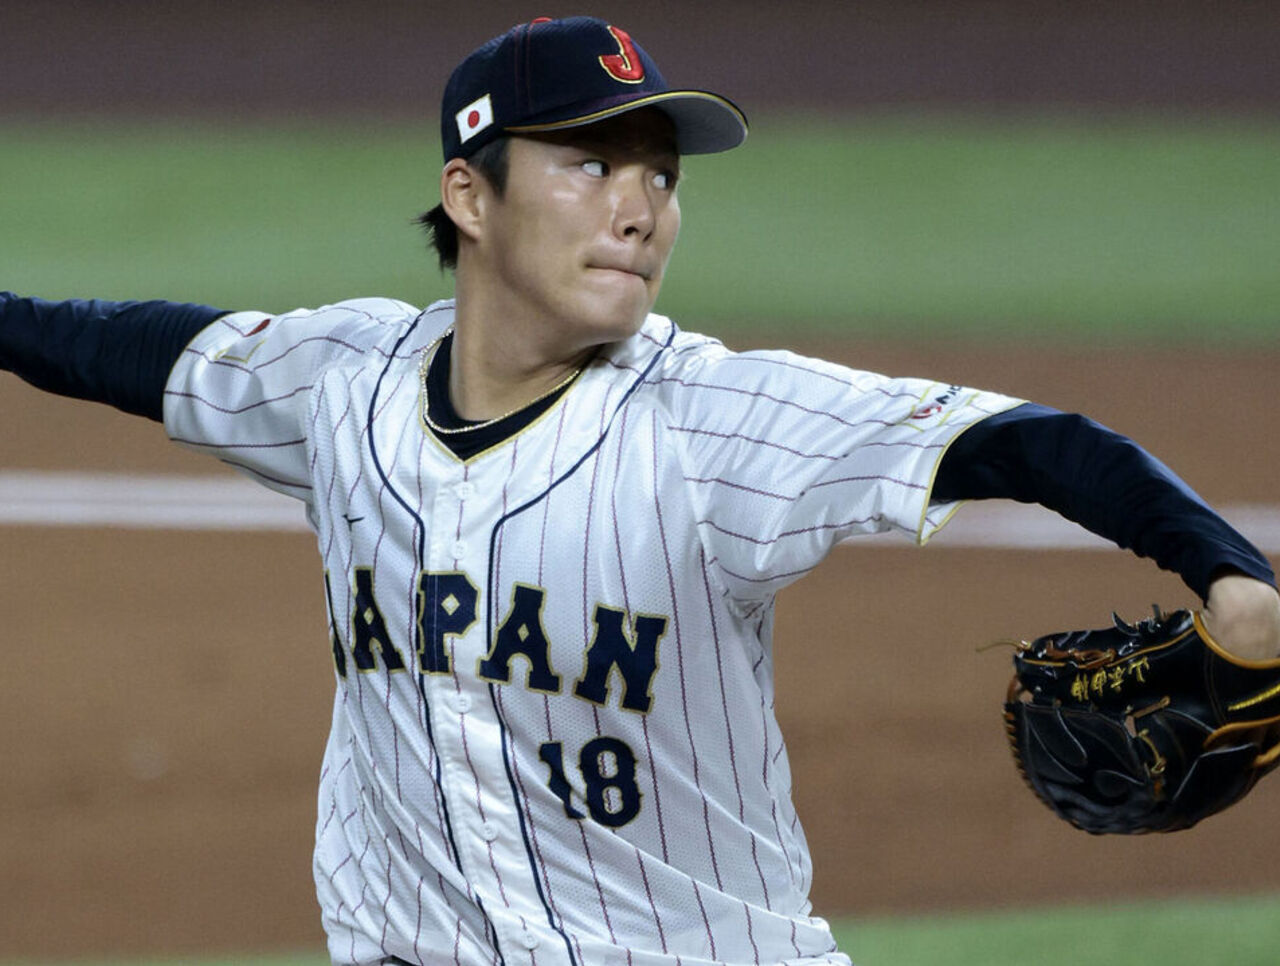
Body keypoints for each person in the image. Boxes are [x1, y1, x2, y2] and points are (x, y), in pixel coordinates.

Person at [3, 16, 1278, 966]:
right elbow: (124, 347)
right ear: (470, 194)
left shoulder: (712, 423)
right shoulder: (342, 381)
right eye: (590, 165)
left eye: (659, 174)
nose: (640, 209)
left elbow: (1018, 440)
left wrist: (1228, 572)